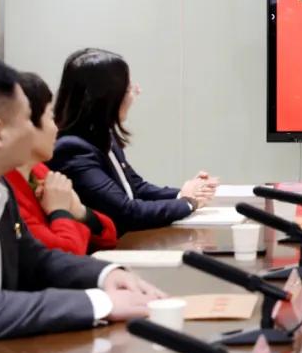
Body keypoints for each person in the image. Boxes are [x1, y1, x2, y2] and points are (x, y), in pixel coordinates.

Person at [0, 56, 163, 353]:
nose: (49, 126)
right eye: (28, 118)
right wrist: (101, 303)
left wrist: (106, 275)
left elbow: (33, 258)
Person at [47, 48, 217, 234]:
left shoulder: (101, 133)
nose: (136, 92)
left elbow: (135, 187)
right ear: (107, 97)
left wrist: (185, 193)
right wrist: (188, 202)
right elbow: (126, 213)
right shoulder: (72, 149)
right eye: (128, 89)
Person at [3, 72, 118, 254]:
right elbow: (67, 253)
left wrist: (79, 211)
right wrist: (60, 211)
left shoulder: (38, 171)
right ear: (26, 126)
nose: (56, 128)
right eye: (50, 117)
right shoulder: (6, 190)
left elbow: (108, 234)